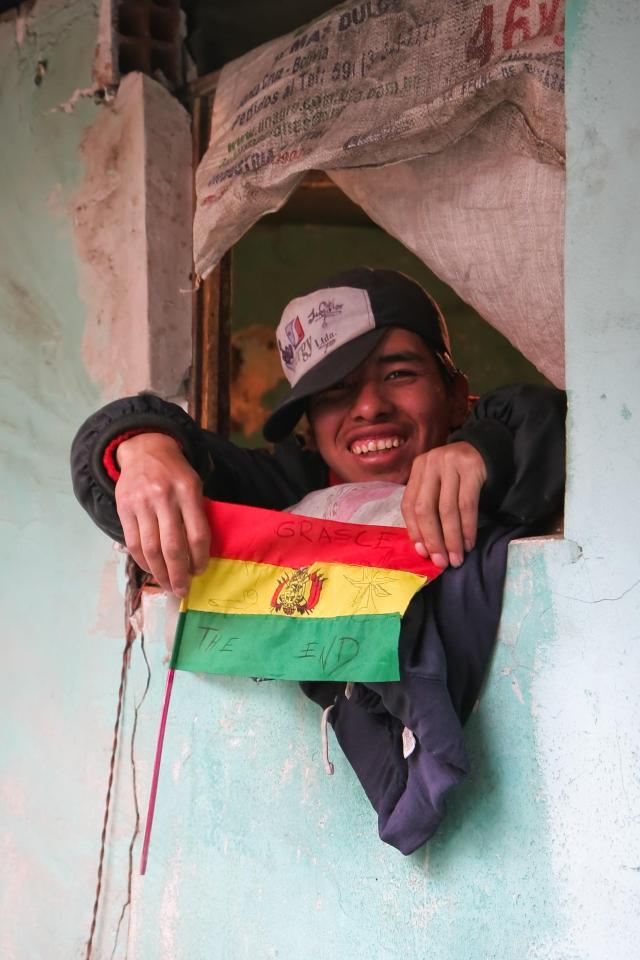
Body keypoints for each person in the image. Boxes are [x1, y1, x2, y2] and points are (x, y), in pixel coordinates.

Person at [71, 267, 565, 853]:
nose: (369, 408)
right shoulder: (289, 491)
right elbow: (149, 462)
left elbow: (555, 420)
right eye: (334, 392)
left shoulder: (499, 457)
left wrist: (482, 451)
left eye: (399, 374)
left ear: (458, 394)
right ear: (309, 428)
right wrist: (142, 448)